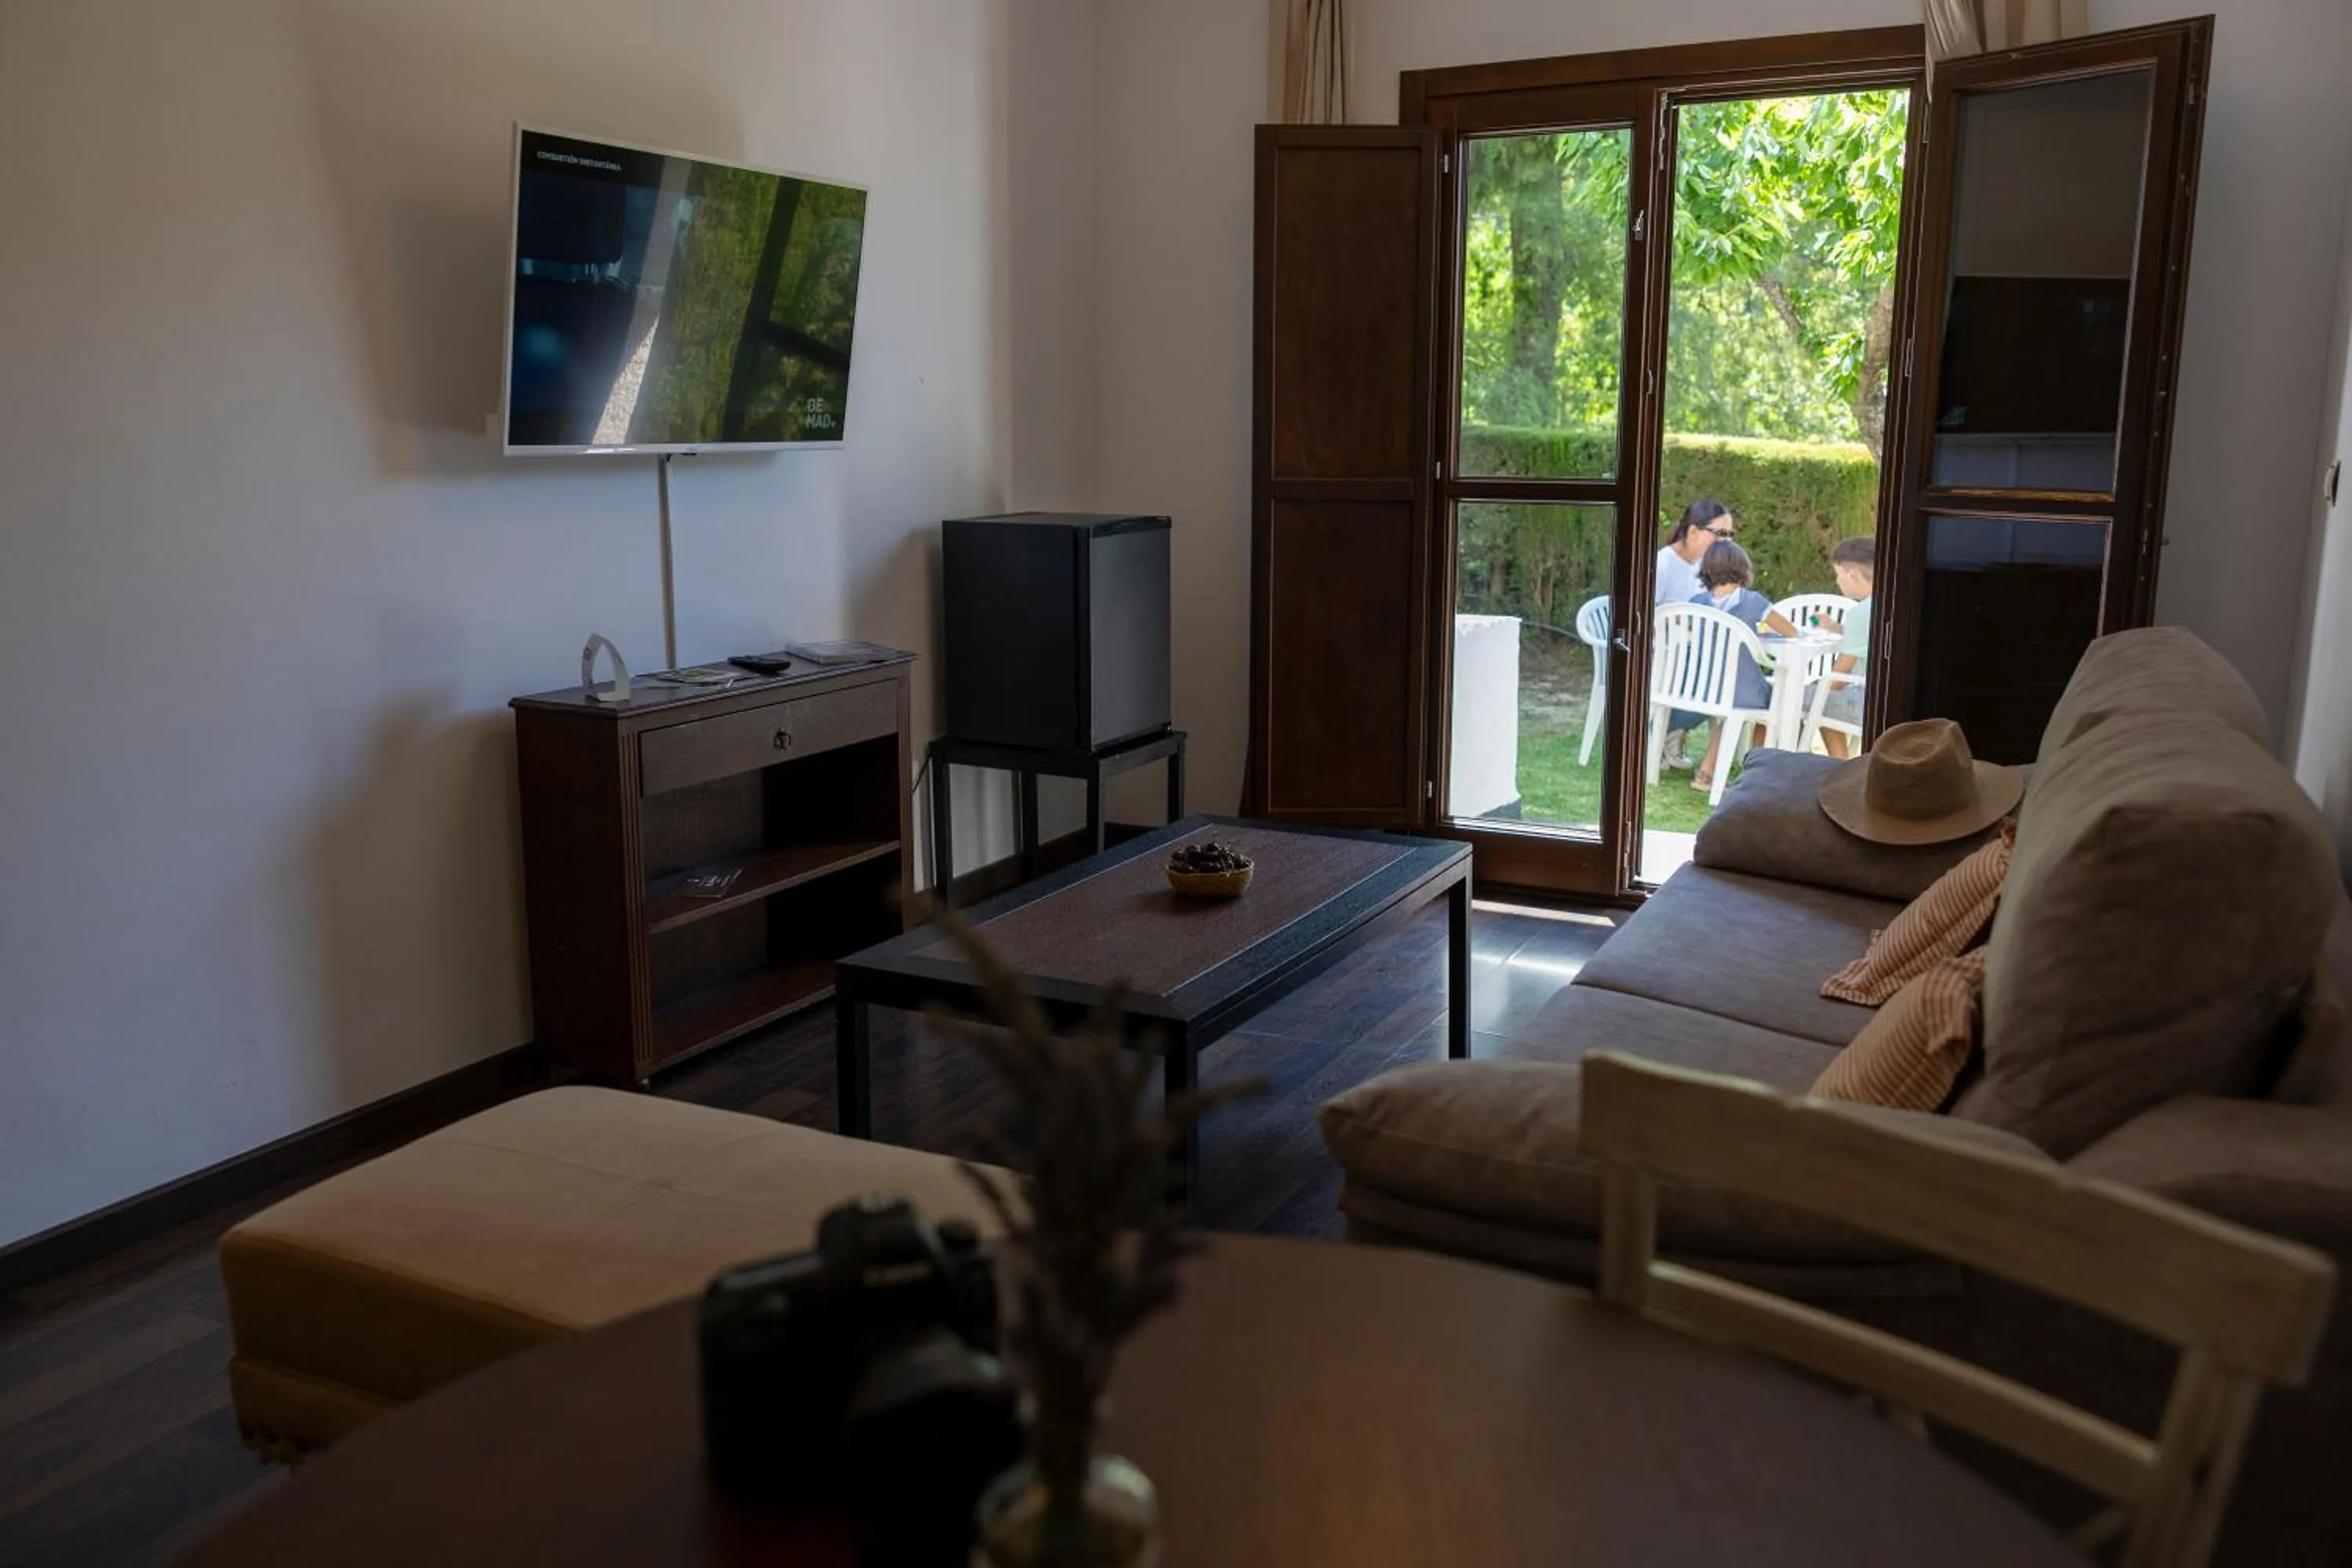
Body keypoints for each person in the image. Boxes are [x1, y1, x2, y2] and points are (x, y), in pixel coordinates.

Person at [1686, 539, 1799, 793]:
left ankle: (1707, 772)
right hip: (1740, 691)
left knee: (1731, 712)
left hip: (1705, 688)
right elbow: (1791, 632)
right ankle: (1754, 771)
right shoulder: (1754, 602)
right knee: (1774, 702)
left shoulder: (1696, 602)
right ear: (1742, 568)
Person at [1656, 499, 1737, 768]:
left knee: (1733, 674)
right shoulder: (1663, 564)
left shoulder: (1706, 566)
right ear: (1693, 532)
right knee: (1722, 680)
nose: (1726, 542)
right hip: (1665, 655)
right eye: (1720, 534)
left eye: (1730, 535)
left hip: (1697, 652)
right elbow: (1641, 614)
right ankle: (1659, 733)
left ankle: (1668, 733)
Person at [1811, 535, 1875, 759]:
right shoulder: (1893, 602)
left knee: (1805, 697)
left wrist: (1819, 686)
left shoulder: (1860, 613)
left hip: (1865, 704)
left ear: (1852, 575)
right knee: (1823, 698)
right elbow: (1870, 635)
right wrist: (1836, 628)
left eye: (1838, 575)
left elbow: (1839, 679)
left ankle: (1840, 765)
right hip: (1889, 700)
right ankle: (1842, 764)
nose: (1838, 582)